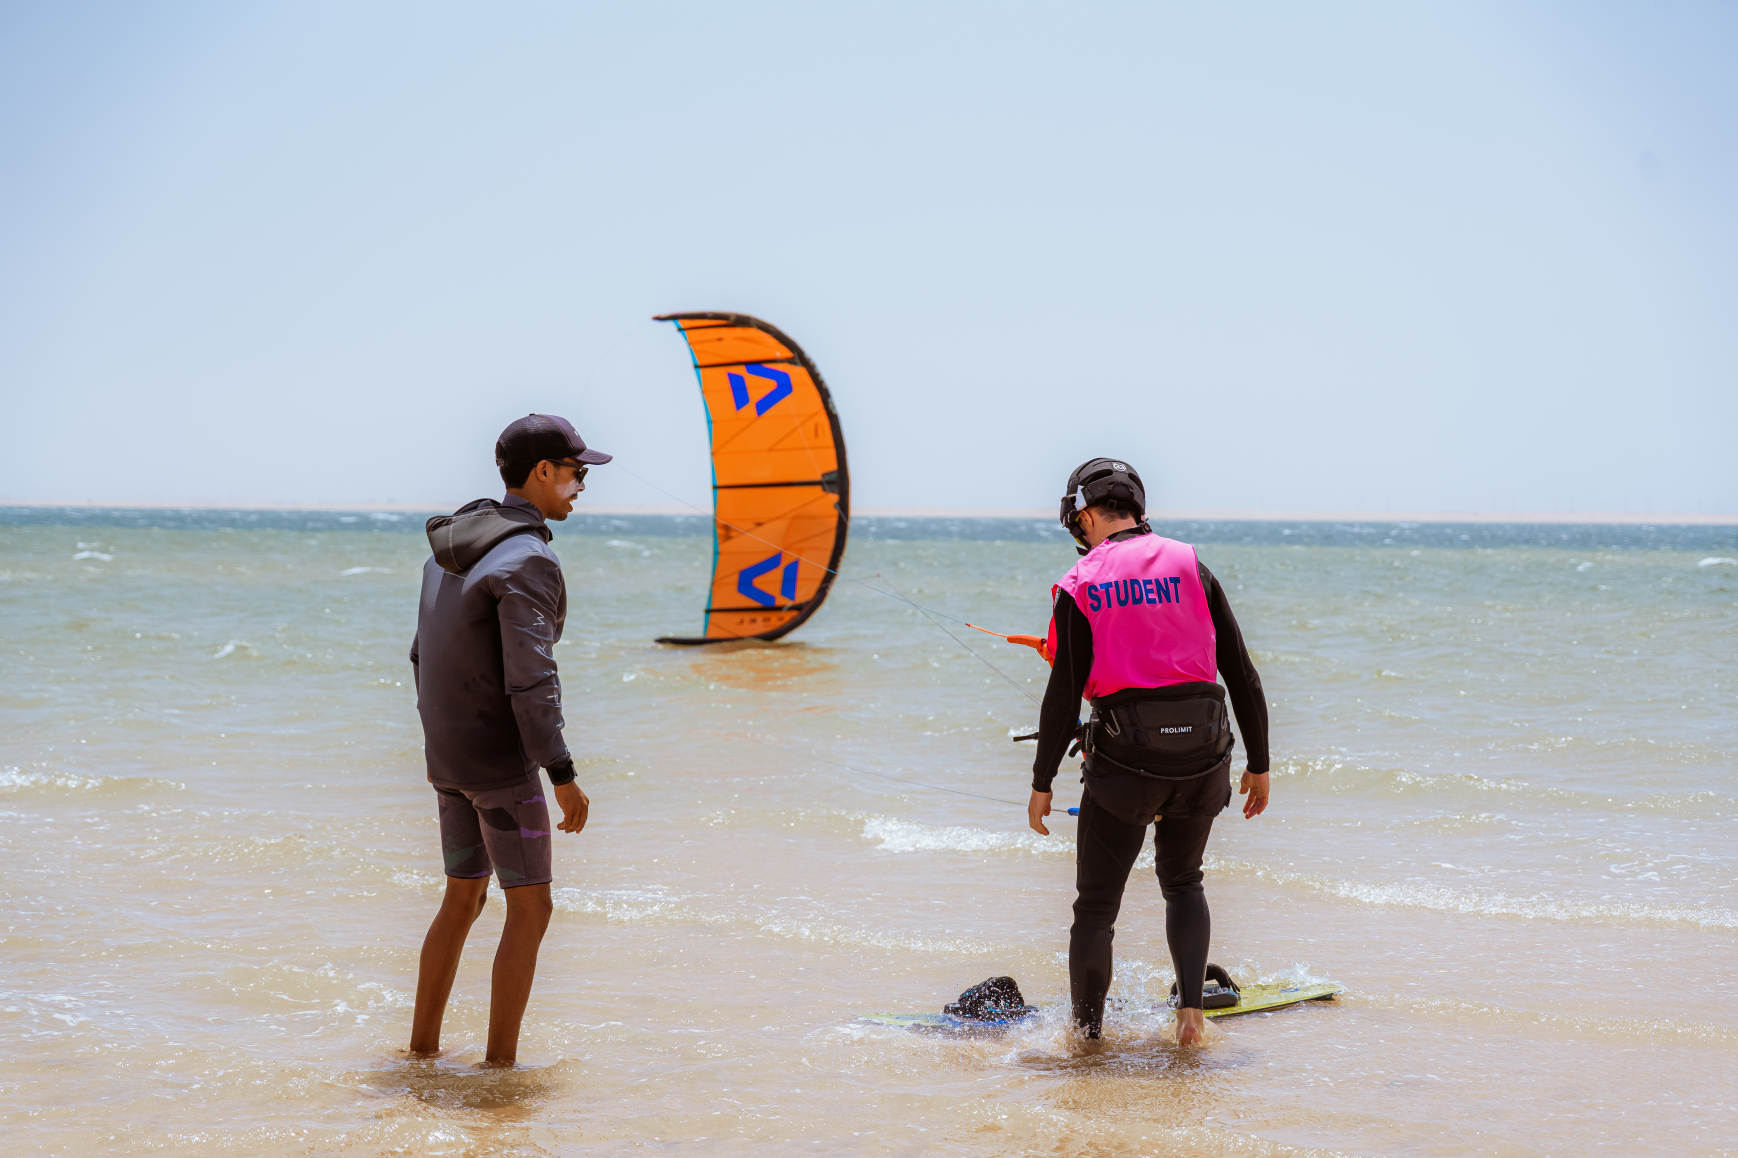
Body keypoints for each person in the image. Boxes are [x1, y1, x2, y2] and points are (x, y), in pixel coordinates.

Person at [1026, 458, 1270, 1047]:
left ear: (1084, 515)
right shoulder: (1192, 565)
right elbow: (1240, 671)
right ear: (1138, 508)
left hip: (1124, 769)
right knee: (1184, 882)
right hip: (1205, 759)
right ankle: (1190, 1016)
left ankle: (1086, 1037)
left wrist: (1041, 781)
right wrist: (1259, 764)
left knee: (1096, 908)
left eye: (1077, 524)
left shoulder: (1081, 581)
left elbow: (1064, 695)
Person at [406, 413, 611, 1066]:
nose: (581, 485)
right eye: (577, 473)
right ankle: (499, 1071)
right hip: (500, 766)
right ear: (543, 473)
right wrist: (562, 773)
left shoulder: (448, 554)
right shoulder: (529, 558)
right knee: (532, 908)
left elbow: (421, 655)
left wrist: (446, 751)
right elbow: (532, 680)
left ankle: (421, 1053)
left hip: (448, 758)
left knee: (462, 898)